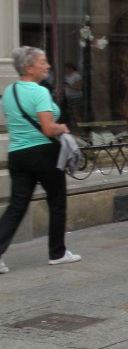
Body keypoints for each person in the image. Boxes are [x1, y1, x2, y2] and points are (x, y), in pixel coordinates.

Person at [0, 47, 81, 273]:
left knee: (17, 205)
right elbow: (47, 129)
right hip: (44, 154)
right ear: (28, 68)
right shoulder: (39, 92)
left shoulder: (9, 92)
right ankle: (57, 253)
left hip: (17, 154)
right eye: (42, 62)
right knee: (57, 203)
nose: (47, 66)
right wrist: (62, 127)